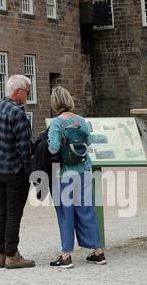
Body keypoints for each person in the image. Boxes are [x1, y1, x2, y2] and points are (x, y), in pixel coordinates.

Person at [46, 86, 107, 268]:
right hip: (84, 171)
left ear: (55, 103)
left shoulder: (56, 123)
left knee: (66, 214)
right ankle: (98, 252)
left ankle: (66, 256)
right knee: (87, 210)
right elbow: (88, 142)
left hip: (65, 173)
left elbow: (54, 148)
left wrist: (47, 144)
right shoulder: (81, 120)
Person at [0, 76, 38, 269]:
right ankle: (12, 255)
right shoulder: (18, 113)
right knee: (14, 213)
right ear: (17, 92)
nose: (28, 95)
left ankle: (0, 254)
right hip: (15, 171)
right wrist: (29, 170)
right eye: (27, 91)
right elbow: (24, 147)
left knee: (3, 211)